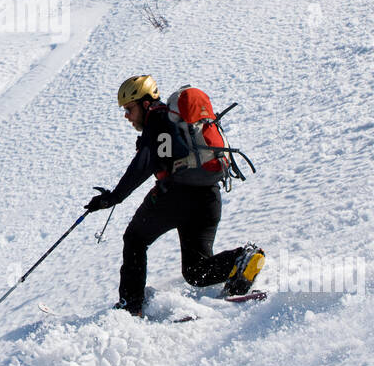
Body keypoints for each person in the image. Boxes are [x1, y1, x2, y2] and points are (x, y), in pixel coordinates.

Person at [84, 75, 263, 316]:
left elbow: (144, 163)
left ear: (145, 104)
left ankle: (131, 306)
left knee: (135, 239)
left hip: (177, 194)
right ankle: (241, 260)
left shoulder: (157, 120)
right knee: (196, 272)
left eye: (129, 108)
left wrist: (113, 197)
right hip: (209, 196)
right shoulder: (172, 122)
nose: (126, 116)